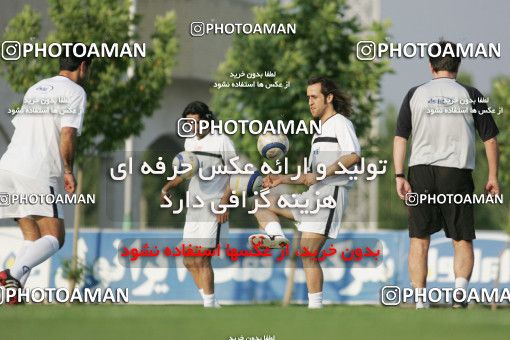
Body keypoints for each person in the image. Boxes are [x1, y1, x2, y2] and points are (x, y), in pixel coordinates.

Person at [393, 40, 500, 309]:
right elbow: (490, 139)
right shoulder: (472, 94)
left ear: (431, 66)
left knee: (419, 239)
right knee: (461, 238)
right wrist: (493, 176)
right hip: (457, 172)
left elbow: (400, 137)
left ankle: (420, 301)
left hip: (421, 172)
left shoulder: (414, 93)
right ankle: (459, 296)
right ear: (458, 65)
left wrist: (398, 175)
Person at [248, 76, 361, 308]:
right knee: (262, 202)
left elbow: (353, 156)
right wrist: (282, 179)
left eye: (314, 97)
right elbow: (309, 176)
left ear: (329, 98)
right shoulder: (318, 133)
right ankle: (276, 238)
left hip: (330, 194)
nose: (310, 102)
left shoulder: (341, 123)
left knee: (308, 252)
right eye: (308, 97)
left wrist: (321, 174)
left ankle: (315, 308)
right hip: (312, 195)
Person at [0, 47, 91, 304]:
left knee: (32, 237)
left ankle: (10, 295)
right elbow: (68, 134)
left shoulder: (37, 87)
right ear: (83, 66)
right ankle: (11, 274)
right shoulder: (75, 92)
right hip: (36, 171)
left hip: (7, 167)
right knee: (55, 237)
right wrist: (68, 170)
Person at [161, 101, 236, 308]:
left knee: (202, 257)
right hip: (194, 206)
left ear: (207, 120)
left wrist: (224, 203)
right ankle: (211, 302)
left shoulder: (222, 141)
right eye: (188, 123)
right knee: (188, 260)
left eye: (194, 122)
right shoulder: (189, 143)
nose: (192, 127)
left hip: (214, 205)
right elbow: (186, 173)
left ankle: (209, 305)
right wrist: (167, 186)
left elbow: (236, 173)